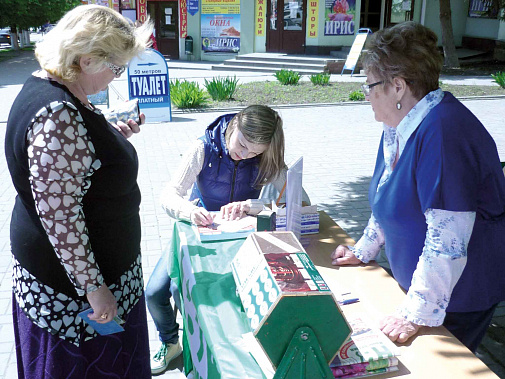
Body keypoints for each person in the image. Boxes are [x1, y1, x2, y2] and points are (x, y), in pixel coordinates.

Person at [330, 21, 505, 353]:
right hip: (425, 291)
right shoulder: (400, 125)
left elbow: (447, 241)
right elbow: (388, 201)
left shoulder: (443, 133)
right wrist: (363, 250)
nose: (366, 95)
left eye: (370, 85)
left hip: (453, 300)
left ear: (398, 86)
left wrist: (416, 315)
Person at [5, 5, 153, 378]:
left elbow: (75, 167)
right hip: (73, 298)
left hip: (80, 280)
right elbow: (60, 217)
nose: (117, 77)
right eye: (115, 67)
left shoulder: (51, 87)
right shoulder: (57, 115)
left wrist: (113, 138)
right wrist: (94, 288)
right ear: (87, 60)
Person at [147, 104, 310, 374]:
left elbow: (299, 202)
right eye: (242, 145)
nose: (244, 155)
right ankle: (171, 341)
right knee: (154, 292)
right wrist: (189, 211)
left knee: (210, 298)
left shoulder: (265, 157)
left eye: (254, 152)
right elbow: (169, 194)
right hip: (197, 232)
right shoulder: (203, 148)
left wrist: (252, 205)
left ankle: (216, 349)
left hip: (238, 240)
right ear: (234, 124)